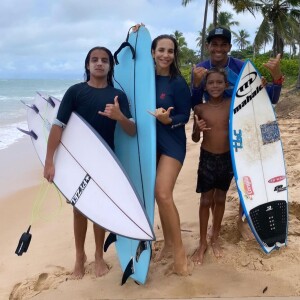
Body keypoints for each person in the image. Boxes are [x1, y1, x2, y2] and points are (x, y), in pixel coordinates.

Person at [43, 46, 136, 279]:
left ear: (109, 66)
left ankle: (98, 256)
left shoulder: (118, 96)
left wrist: (119, 116)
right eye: (94, 60)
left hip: (106, 160)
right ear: (87, 65)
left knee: (99, 209)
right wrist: (49, 161)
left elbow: (132, 131)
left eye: (104, 60)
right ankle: (79, 257)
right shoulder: (75, 92)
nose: (99, 63)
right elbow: (58, 126)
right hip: (78, 161)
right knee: (79, 210)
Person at [191, 27, 284, 240]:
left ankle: (243, 219)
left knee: (246, 176)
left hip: (247, 129)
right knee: (216, 189)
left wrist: (276, 77)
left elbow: (270, 98)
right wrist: (196, 85)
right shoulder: (201, 69)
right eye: (214, 44)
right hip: (220, 132)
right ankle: (215, 227)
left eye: (223, 44)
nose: (218, 48)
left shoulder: (243, 68)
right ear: (208, 46)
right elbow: (195, 104)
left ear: (229, 47)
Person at [149, 34, 192, 275]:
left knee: (163, 193)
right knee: (158, 195)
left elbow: (185, 115)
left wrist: (168, 120)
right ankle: (166, 243)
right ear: (153, 52)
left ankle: (180, 253)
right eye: (161, 50)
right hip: (149, 144)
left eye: (170, 51)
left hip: (172, 143)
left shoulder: (177, 82)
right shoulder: (144, 80)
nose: (166, 55)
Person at [191, 67, 232, 264]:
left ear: (226, 85)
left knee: (221, 198)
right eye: (211, 83)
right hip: (207, 158)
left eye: (219, 82)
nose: (215, 86)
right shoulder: (199, 109)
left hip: (227, 158)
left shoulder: (232, 104)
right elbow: (194, 138)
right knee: (205, 201)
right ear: (205, 87)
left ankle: (215, 238)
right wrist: (197, 129)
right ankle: (202, 242)